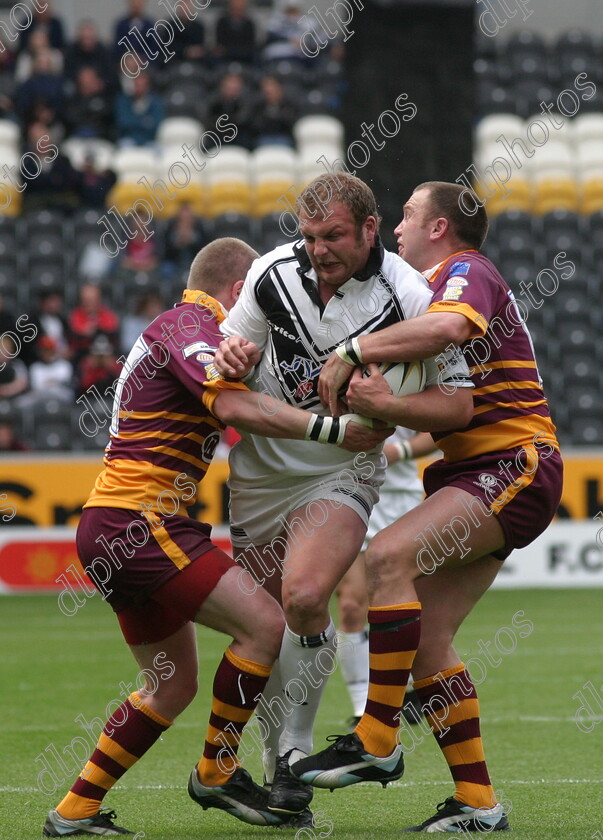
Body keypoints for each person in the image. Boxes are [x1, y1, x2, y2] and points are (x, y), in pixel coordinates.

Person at [41, 237, 384, 837]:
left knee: (170, 687)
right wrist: (330, 428)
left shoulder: (180, 329)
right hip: (140, 522)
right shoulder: (190, 324)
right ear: (236, 291)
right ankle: (218, 769)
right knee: (266, 626)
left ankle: (74, 811)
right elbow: (232, 407)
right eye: (254, 298)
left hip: (116, 523)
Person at [291, 181, 564, 833]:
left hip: (512, 462)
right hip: (471, 470)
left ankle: (378, 739)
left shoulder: (464, 271)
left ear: (440, 228)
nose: (398, 229)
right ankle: (478, 804)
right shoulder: (422, 294)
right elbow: (439, 402)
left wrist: (352, 352)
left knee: (387, 558)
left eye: (409, 216)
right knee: (426, 642)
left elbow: (446, 332)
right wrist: (379, 407)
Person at [213, 173, 473, 818]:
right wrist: (233, 358)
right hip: (261, 471)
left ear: (369, 229)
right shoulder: (271, 274)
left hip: (342, 469)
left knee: (305, 596)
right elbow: (228, 364)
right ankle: (279, 774)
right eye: (308, 236)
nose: (318, 249)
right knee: (267, 624)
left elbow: (458, 402)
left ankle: (297, 753)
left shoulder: (410, 294)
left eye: (332, 236)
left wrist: (393, 408)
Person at [336, 430, 436, 729]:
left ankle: (408, 686)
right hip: (350, 493)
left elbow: (438, 431)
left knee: (408, 602)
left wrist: (399, 451)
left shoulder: (416, 382)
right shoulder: (329, 381)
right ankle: (361, 703)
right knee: (352, 605)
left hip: (400, 499)